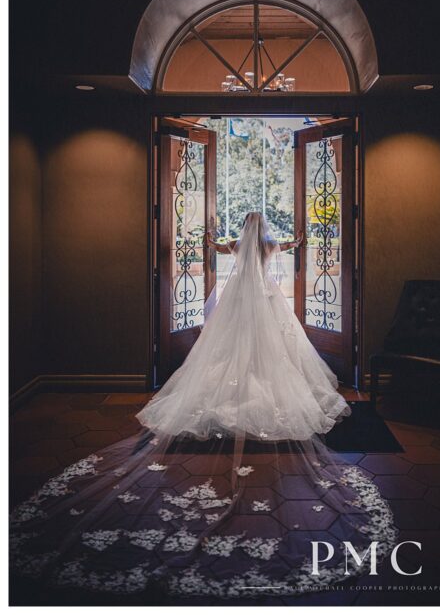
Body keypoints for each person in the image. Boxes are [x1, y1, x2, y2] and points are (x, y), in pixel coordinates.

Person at [11, 212, 395, 600]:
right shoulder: (266, 246)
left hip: (239, 303)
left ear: (243, 231)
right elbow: (290, 247)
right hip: (263, 302)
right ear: (262, 231)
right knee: (271, 355)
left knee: (227, 356)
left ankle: (223, 396)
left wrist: (210, 235)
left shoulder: (238, 246)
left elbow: (215, 246)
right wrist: (297, 239)